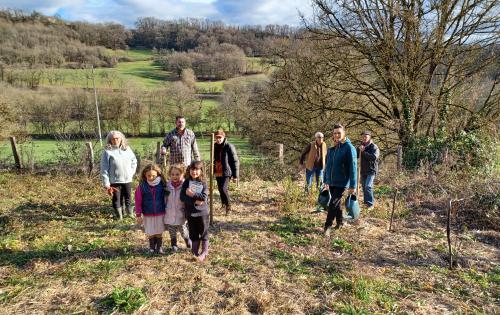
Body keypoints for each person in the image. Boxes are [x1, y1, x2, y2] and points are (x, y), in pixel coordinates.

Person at [322, 124, 357, 235]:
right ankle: (340, 222)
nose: (336, 135)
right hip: (332, 181)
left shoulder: (349, 148)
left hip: (342, 182)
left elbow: (353, 167)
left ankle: (327, 227)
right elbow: (328, 166)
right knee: (336, 204)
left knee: (333, 204)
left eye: (339, 133)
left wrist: (353, 185)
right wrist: (326, 180)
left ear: (344, 134)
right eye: (335, 133)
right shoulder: (332, 149)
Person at [100, 130, 137, 220]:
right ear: (110, 140)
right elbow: (104, 169)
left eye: (117, 138)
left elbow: (134, 161)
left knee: (128, 197)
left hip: (127, 180)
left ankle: (129, 214)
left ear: (121, 139)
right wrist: (107, 184)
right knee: (117, 199)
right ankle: (119, 216)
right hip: (115, 181)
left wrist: (131, 173)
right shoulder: (108, 152)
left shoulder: (127, 149)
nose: (115, 140)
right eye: (113, 139)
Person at [180, 160, 209, 262]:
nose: (194, 172)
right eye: (192, 169)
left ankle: (205, 252)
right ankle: (195, 251)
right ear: (189, 170)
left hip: (202, 213)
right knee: (193, 232)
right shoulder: (187, 182)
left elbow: (204, 198)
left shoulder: (204, 183)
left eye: (197, 170)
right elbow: (182, 197)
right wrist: (194, 201)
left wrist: (193, 194)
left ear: (201, 171)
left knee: (203, 231)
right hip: (190, 212)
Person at [135, 163, 167, 254]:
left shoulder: (163, 184)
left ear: (158, 174)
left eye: (153, 175)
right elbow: (138, 201)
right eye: (149, 175)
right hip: (147, 213)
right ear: (145, 175)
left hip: (160, 212)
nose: (151, 177)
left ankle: (159, 248)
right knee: (150, 232)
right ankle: (152, 248)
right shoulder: (141, 187)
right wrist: (138, 214)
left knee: (159, 231)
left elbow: (168, 197)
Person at [164, 164, 191, 252]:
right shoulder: (167, 186)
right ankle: (174, 245)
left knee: (183, 230)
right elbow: (165, 198)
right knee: (171, 231)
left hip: (180, 213)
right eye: (172, 174)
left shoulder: (185, 185)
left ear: (182, 174)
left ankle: (187, 240)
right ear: (170, 175)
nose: (175, 176)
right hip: (170, 212)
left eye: (177, 174)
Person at [213, 130, 239, 215]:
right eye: (216, 137)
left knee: (224, 189)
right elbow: (214, 159)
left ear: (223, 137)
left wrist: (235, 176)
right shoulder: (214, 146)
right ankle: (223, 204)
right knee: (220, 189)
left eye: (220, 137)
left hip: (226, 171)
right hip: (218, 171)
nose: (218, 139)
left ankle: (229, 207)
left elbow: (235, 161)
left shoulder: (229, 146)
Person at [358, 131, 380, 210]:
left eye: (365, 136)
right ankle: (366, 203)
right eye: (363, 136)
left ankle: (371, 204)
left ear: (369, 137)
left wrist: (364, 152)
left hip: (371, 170)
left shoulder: (374, 147)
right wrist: (359, 151)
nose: (364, 138)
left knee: (368, 186)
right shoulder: (361, 146)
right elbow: (357, 156)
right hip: (363, 170)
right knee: (364, 187)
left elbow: (374, 157)